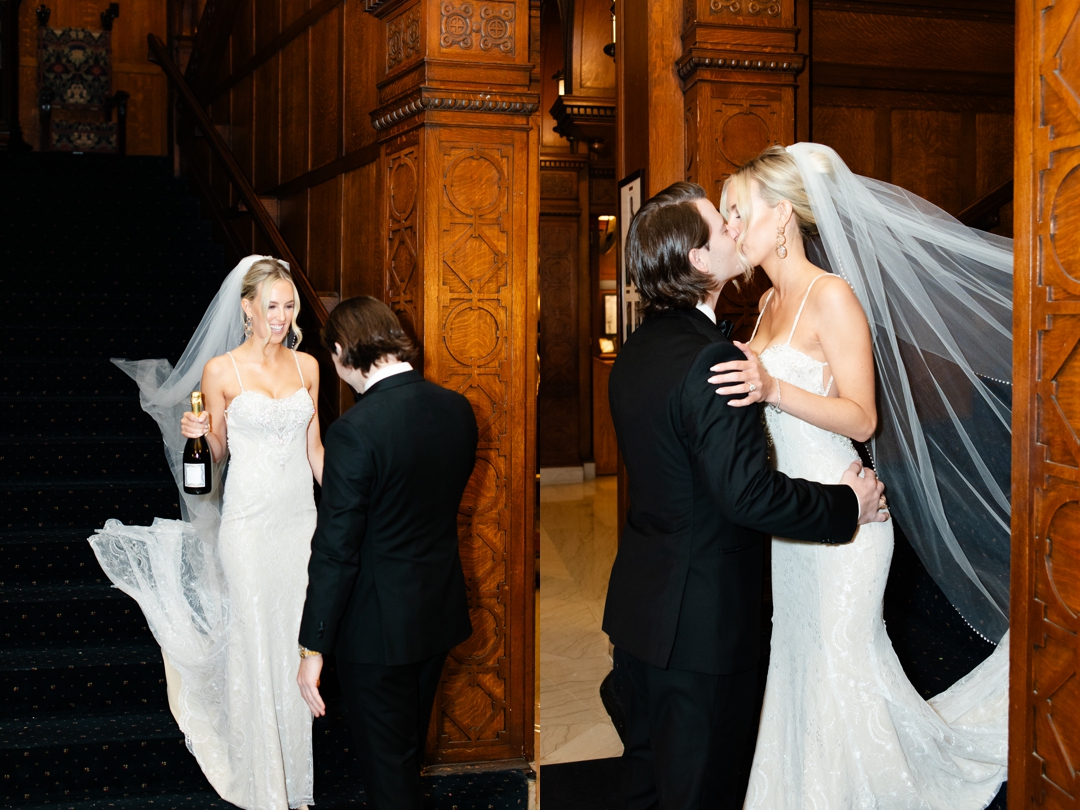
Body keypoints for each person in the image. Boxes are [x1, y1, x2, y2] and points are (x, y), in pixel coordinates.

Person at [708, 144, 1010, 807]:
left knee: (841, 668)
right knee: (798, 664)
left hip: (846, 525)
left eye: (738, 213)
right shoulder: (763, 307)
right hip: (793, 523)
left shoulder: (831, 296)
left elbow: (863, 417)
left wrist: (771, 388)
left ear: (782, 217)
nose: (730, 228)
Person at [602, 181, 889, 810]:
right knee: (701, 788)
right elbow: (747, 496)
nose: (734, 231)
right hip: (700, 624)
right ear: (700, 262)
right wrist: (848, 506)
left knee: (647, 782)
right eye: (721, 225)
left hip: (641, 612)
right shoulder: (711, 360)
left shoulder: (638, 351)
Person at [89, 256, 323, 810]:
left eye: (289, 307)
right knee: (253, 638)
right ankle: (258, 779)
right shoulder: (222, 371)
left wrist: (354, 503)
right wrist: (198, 434)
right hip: (247, 525)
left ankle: (290, 776)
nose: (282, 317)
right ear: (246, 307)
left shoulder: (308, 367)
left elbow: (316, 452)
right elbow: (217, 457)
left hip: (299, 525)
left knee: (293, 640)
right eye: (272, 306)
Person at [295, 296, 477, 810]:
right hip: (436, 613)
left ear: (342, 352)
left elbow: (336, 549)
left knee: (389, 770)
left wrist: (313, 647)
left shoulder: (355, 431)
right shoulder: (456, 408)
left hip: (377, 631)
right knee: (406, 754)